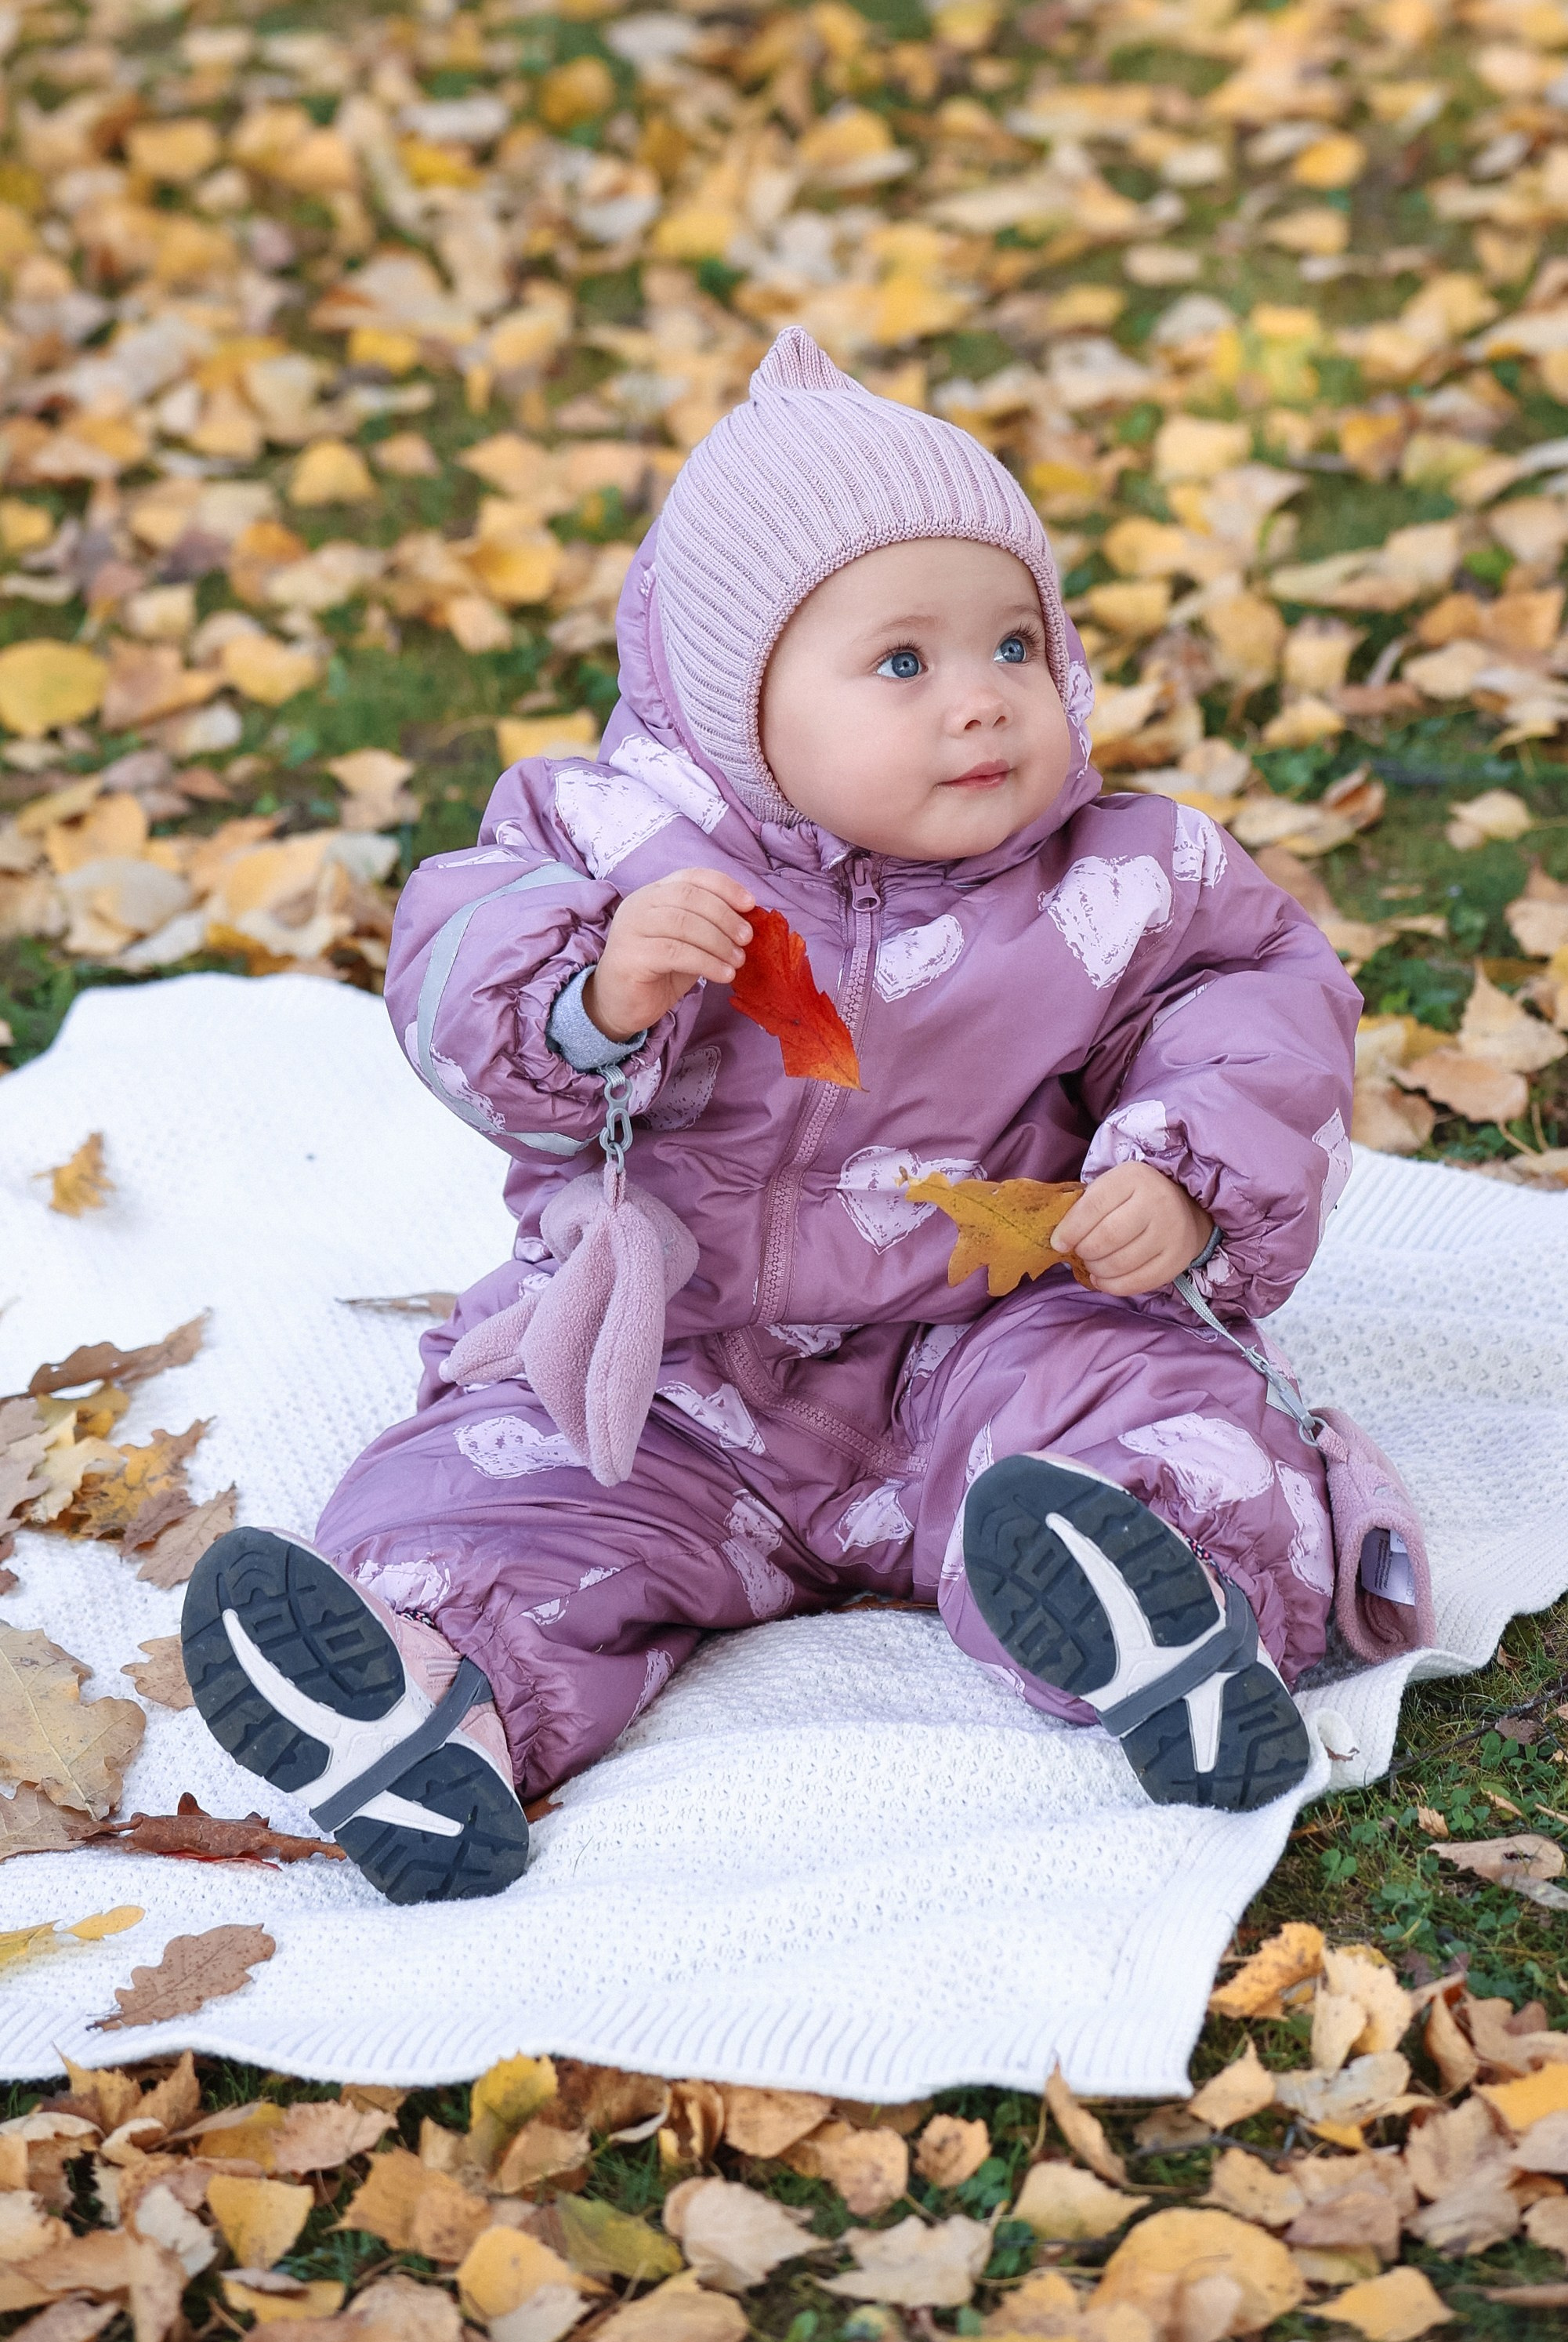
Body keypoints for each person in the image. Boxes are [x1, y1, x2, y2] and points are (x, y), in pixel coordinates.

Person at [180, 327, 1362, 1906]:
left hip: (989, 1329)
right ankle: (422, 1702)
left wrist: (1183, 1173)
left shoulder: (1126, 876)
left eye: (1014, 645)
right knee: (492, 1491)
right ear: (735, 704)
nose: (981, 704)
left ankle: (1165, 1612)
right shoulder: (604, 840)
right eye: (901, 663)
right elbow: (451, 972)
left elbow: (1260, 1009)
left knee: (1140, 1415)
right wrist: (592, 998)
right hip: (675, 1370)